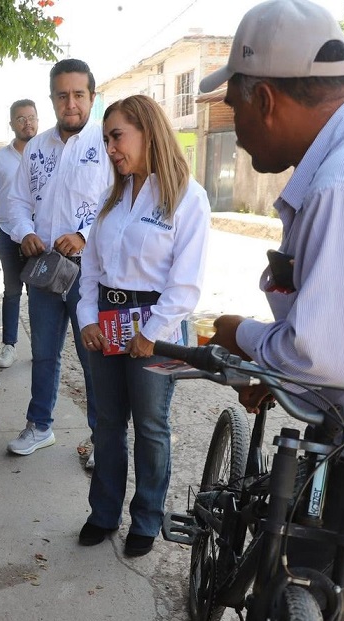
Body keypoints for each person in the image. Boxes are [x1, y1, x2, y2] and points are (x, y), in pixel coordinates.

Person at [199, 0, 344, 615]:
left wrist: (239, 335)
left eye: (233, 105)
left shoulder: (343, 184)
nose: (234, 123)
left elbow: (324, 353)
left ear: (266, 100)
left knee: (302, 592)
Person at [76, 95, 210, 557]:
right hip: (107, 325)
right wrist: (88, 320)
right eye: (107, 138)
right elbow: (90, 268)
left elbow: (185, 283)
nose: (111, 148)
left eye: (117, 136)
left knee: (151, 426)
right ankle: (104, 512)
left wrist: (151, 333)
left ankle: (147, 518)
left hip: (156, 330)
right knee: (108, 423)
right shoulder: (112, 199)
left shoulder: (187, 197)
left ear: (148, 132)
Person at [1, 58, 113, 456]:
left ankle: (102, 438)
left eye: (78, 95)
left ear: (92, 97)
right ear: (52, 99)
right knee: (44, 353)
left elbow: (119, 205)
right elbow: (13, 202)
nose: (71, 104)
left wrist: (84, 235)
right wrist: (24, 231)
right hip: (46, 268)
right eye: (62, 95)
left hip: (89, 273)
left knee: (92, 359)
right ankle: (39, 425)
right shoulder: (36, 148)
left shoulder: (107, 145)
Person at [0, 99, 39, 369]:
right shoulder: (0, 158)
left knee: (40, 294)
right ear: (12, 124)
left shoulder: (46, 154)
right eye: (21, 118)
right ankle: (9, 346)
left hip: (39, 236)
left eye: (32, 117)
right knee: (12, 291)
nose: (27, 123)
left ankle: (41, 345)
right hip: (7, 234)